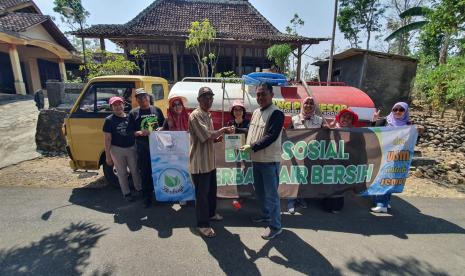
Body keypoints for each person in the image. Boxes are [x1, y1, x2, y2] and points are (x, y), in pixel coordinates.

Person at [240, 82, 285, 240]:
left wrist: (251, 147)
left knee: (271, 195)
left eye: (263, 94)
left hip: (269, 161)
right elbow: (252, 131)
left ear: (272, 95)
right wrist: (236, 131)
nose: (260, 97)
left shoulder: (277, 113)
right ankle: (266, 216)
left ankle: (276, 226)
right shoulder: (256, 112)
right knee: (260, 192)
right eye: (258, 94)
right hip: (256, 160)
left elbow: (271, 136)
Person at [189, 87, 234, 238]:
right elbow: (205, 136)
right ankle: (202, 225)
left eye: (210, 97)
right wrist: (222, 131)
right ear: (198, 100)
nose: (208, 100)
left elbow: (210, 138)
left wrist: (218, 138)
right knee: (201, 196)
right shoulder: (195, 115)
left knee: (211, 191)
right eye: (205, 97)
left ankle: (211, 214)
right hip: (200, 163)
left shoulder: (207, 115)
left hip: (209, 162)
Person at [370, 102, 419, 213]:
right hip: (383, 156)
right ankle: (384, 202)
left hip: (398, 158)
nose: (397, 112)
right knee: (382, 178)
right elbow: (373, 133)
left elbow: (414, 141)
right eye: (395, 109)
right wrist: (374, 121)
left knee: (390, 179)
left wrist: (418, 133)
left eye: (401, 110)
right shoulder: (385, 121)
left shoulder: (409, 125)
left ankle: (382, 204)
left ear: (405, 111)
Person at [127, 88, 165, 208]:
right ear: (137, 100)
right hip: (143, 149)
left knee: (158, 172)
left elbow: (164, 125)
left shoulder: (157, 110)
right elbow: (129, 132)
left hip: (158, 148)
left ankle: (160, 195)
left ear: (148, 97)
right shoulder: (133, 113)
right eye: (140, 97)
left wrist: (161, 129)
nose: (143, 99)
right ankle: (147, 198)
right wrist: (139, 133)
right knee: (145, 173)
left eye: (144, 96)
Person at [287, 96, 325, 214]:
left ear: (314, 106)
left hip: (312, 155)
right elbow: (288, 136)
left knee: (307, 178)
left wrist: (328, 129)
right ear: (302, 105)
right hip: (297, 154)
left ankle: (302, 198)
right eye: (306, 103)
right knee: (294, 177)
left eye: (311, 103)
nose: (308, 105)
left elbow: (324, 136)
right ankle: (291, 201)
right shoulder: (294, 119)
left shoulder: (320, 120)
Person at [103, 96, 143, 202]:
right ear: (111, 107)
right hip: (117, 150)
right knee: (122, 173)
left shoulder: (130, 116)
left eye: (119, 104)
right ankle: (127, 193)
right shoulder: (109, 120)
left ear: (123, 105)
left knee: (135, 170)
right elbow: (107, 139)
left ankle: (139, 189)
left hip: (131, 148)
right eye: (114, 105)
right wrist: (108, 156)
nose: (118, 107)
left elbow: (135, 130)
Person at [323, 108, 360, 213]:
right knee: (329, 184)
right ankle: (327, 204)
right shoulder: (331, 128)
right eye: (344, 117)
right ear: (339, 118)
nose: (346, 119)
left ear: (351, 121)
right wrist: (325, 130)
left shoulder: (355, 132)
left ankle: (337, 205)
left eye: (349, 118)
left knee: (341, 185)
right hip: (330, 163)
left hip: (345, 164)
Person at [162, 96, 189, 206]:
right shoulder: (168, 120)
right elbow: (162, 134)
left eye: (179, 104)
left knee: (189, 173)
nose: (177, 107)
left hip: (189, 150)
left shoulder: (189, 117)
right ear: (171, 108)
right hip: (175, 153)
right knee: (179, 173)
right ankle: (182, 196)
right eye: (174, 105)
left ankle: (190, 193)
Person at [227, 100, 250, 210]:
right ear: (232, 111)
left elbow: (248, 131)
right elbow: (226, 136)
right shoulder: (229, 122)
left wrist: (236, 129)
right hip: (233, 152)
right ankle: (235, 194)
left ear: (243, 111)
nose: (237, 112)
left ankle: (243, 194)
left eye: (240, 109)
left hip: (245, 152)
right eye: (235, 110)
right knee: (235, 172)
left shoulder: (247, 122)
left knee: (245, 172)